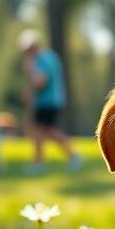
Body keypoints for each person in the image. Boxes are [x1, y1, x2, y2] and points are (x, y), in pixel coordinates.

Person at [19, 29, 81, 172]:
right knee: (45, 131)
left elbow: (41, 82)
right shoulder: (49, 57)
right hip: (50, 100)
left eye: (28, 49)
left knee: (44, 131)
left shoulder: (42, 60)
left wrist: (29, 72)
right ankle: (68, 156)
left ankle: (42, 162)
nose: (27, 53)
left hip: (48, 101)